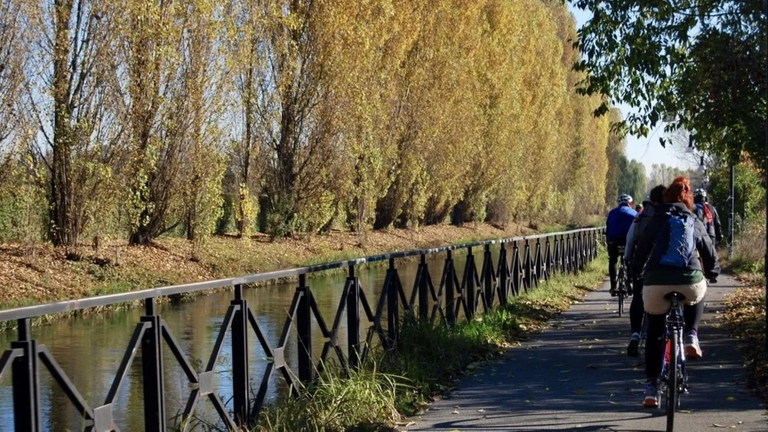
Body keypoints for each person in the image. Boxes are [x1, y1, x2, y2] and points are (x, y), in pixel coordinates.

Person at [630, 176, 720, 408]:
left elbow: (642, 249)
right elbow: (708, 251)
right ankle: (691, 334)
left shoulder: (658, 217)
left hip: (657, 281)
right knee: (699, 289)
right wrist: (712, 272)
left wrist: (635, 273)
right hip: (688, 279)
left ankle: (651, 387)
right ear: (689, 200)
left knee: (655, 331)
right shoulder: (693, 218)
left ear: (666, 197)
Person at [623, 185, 666, 357]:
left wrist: (628, 259)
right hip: (664, 266)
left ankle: (635, 333)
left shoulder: (641, 216)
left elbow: (630, 239)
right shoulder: (670, 216)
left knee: (638, 297)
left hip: (642, 264)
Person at [605, 194, 638, 296]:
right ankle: (630, 283)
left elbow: (608, 228)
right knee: (630, 260)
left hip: (614, 241)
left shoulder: (612, 213)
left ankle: (613, 286)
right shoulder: (635, 213)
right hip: (628, 241)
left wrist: (608, 241)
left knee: (613, 260)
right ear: (630, 203)